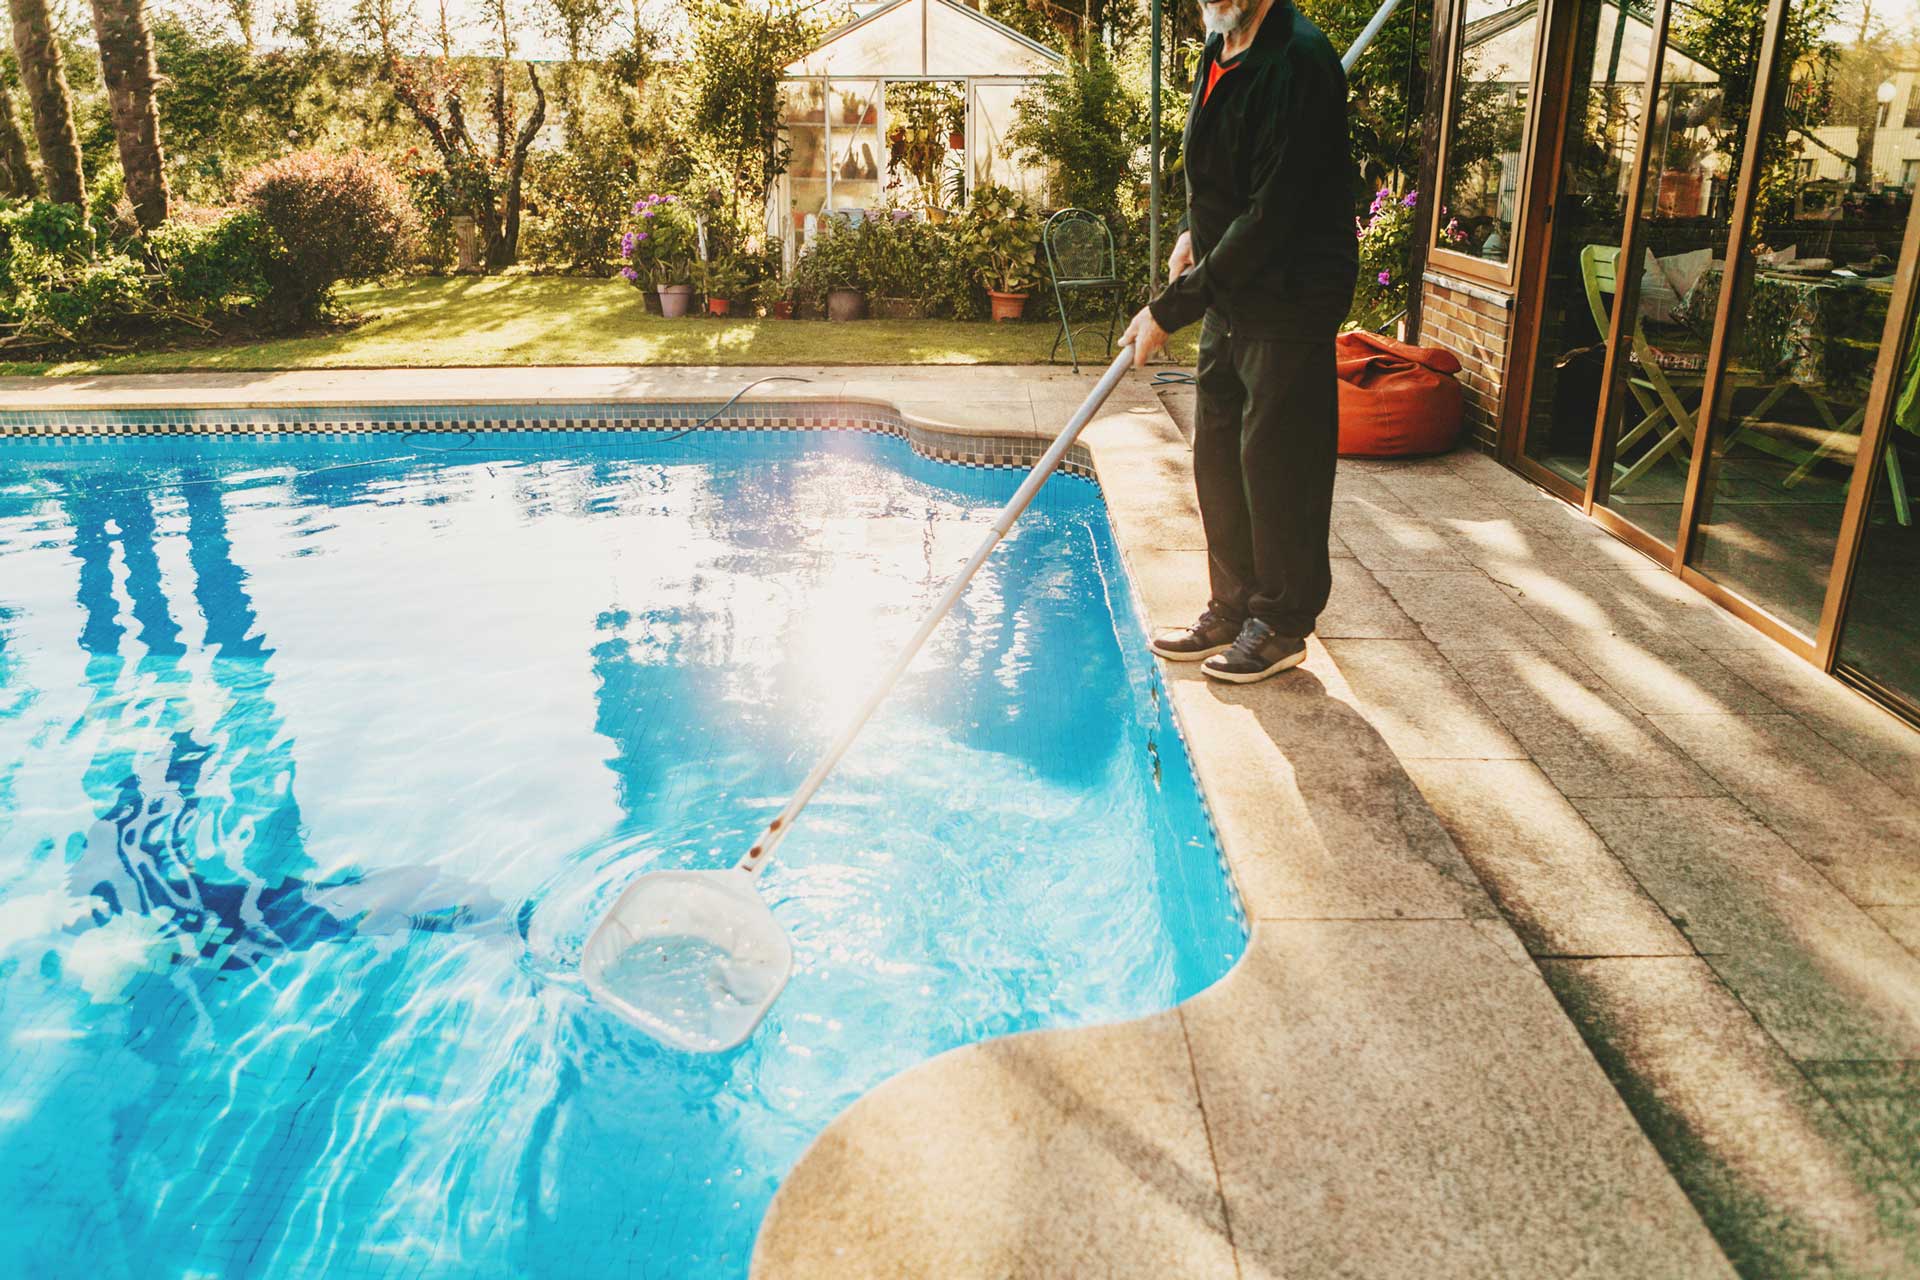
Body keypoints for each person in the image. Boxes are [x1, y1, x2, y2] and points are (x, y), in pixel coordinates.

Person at [1120, 0, 1357, 684]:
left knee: (1278, 462)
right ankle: (1231, 607)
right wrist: (1197, 228)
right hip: (1234, 284)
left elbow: (1273, 211)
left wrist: (1170, 308)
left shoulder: (1300, 62)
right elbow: (1226, 174)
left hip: (1291, 291)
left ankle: (1280, 623)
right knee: (1219, 451)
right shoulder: (1221, 47)